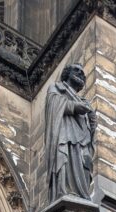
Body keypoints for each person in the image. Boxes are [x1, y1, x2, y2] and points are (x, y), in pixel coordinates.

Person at [44, 63, 97, 203]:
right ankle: (65, 193)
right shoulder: (56, 88)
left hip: (82, 141)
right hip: (65, 137)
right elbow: (54, 105)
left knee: (85, 164)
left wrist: (91, 116)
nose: (80, 74)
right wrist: (74, 106)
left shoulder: (83, 101)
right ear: (67, 73)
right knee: (65, 163)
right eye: (76, 70)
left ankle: (82, 196)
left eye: (83, 73)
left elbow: (91, 126)